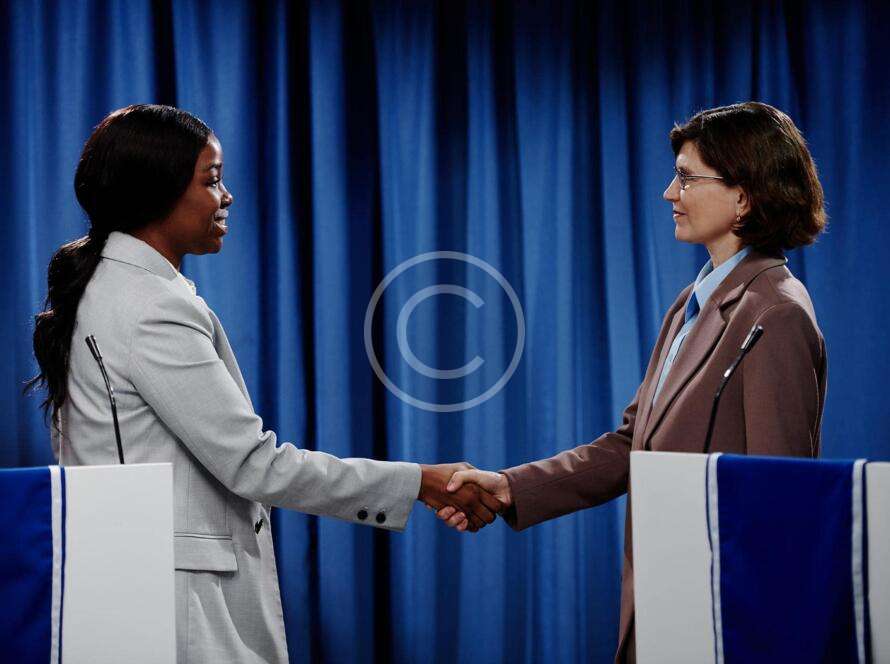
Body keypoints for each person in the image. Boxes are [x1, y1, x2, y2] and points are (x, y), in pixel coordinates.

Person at [26, 104, 502, 664]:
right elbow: (254, 465)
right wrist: (417, 482)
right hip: (173, 609)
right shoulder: (151, 306)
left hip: (123, 589)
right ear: (158, 191)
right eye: (211, 180)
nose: (226, 197)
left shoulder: (106, 287)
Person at [434, 101, 828, 663]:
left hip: (720, 623)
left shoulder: (777, 312)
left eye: (686, 178)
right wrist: (508, 487)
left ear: (743, 196)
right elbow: (630, 447)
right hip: (661, 607)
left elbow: (781, 502)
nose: (669, 193)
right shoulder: (691, 304)